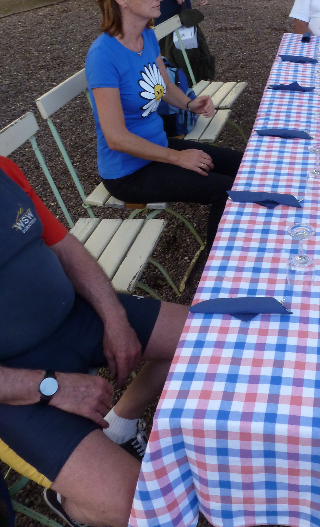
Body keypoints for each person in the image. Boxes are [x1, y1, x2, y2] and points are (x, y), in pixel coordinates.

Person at [0, 154, 190, 527]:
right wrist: (50, 386)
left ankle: (121, 422)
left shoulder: (3, 169)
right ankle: (72, 502)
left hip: (73, 316)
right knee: (139, 508)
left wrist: (115, 317)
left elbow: (64, 247)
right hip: (12, 382)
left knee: (210, 340)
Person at [86, 0, 242, 249]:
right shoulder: (103, 56)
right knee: (225, 192)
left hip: (157, 146)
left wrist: (189, 104)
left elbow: (165, 84)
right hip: (128, 172)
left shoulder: (146, 36)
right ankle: (216, 268)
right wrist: (178, 158)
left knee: (244, 165)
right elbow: (116, 138)